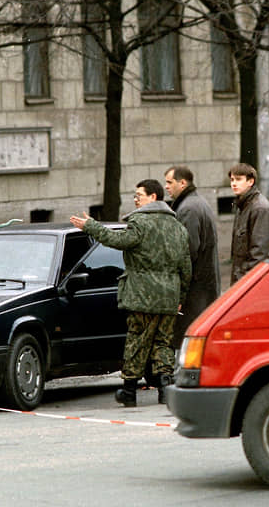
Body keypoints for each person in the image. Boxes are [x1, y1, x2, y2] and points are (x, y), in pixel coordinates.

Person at [70, 179, 191, 406]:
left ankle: (129, 390)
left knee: (137, 341)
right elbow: (186, 267)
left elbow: (118, 240)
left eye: (139, 195)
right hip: (169, 296)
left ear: (153, 197)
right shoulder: (178, 227)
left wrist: (91, 227)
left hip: (142, 295)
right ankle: (165, 388)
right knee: (162, 342)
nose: (135, 200)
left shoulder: (139, 223)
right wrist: (180, 298)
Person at [164, 165, 221, 350]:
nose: (166, 187)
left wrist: (180, 288)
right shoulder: (196, 203)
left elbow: (187, 251)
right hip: (203, 285)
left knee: (189, 341)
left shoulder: (188, 209)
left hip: (195, 289)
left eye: (169, 182)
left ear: (182, 183)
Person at [228, 163, 269, 284]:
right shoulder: (243, 205)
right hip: (243, 280)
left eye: (239, 179)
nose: (234, 183)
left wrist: (244, 283)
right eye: (232, 180)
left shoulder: (260, 209)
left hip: (251, 283)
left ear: (250, 181)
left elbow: (259, 254)